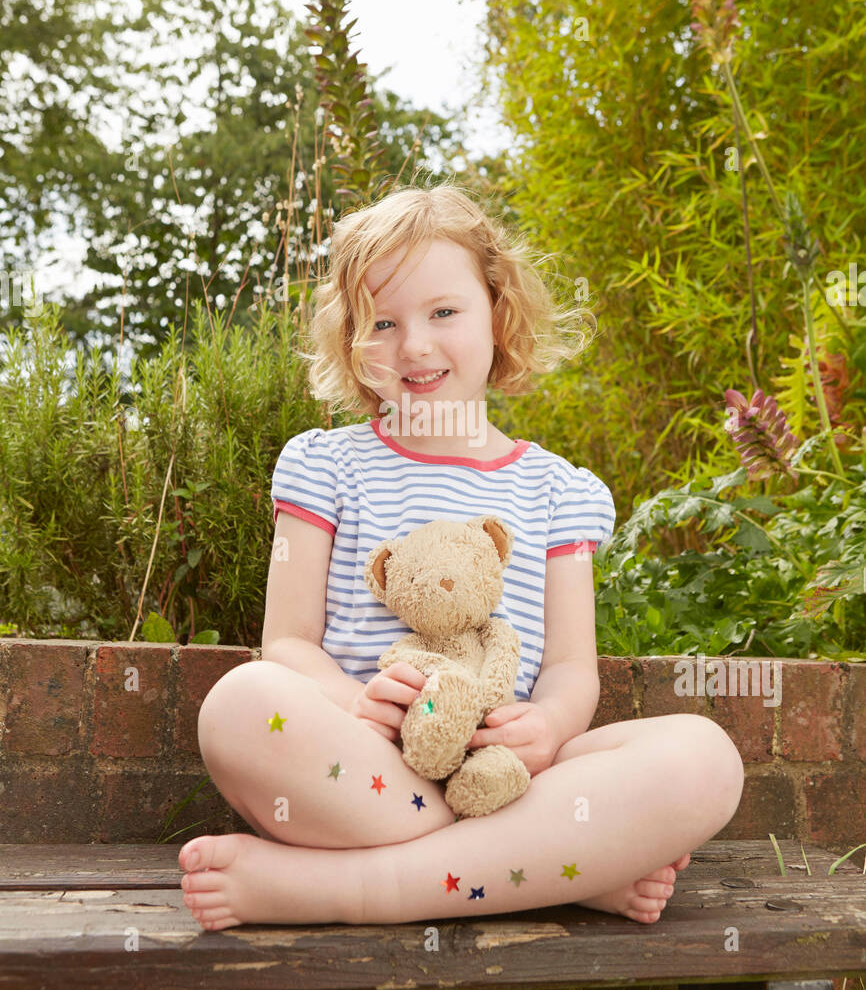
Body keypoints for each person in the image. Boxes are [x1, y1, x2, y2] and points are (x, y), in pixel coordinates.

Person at [178, 182, 743, 930]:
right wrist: (352, 703)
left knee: (704, 760)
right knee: (238, 707)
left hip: (506, 775)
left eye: (444, 312)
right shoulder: (325, 466)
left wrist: (544, 727)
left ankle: (349, 890)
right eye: (382, 321)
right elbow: (285, 643)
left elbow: (574, 667)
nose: (413, 344)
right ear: (350, 338)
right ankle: (547, 870)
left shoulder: (555, 490)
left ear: (498, 313)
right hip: (367, 775)